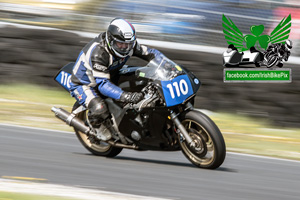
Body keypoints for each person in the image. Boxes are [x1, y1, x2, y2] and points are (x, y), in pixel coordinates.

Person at [69, 18, 163, 141]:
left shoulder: (129, 45)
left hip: (111, 74)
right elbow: (102, 85)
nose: (124, 48)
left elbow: (151, 53)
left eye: (127, 44)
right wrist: (125, 96)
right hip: (86, 84)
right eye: (120, 44)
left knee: (143, 77)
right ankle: (95, 125)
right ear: (110, 40)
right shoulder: (99, 53)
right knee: (100, 109)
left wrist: (165, 64)